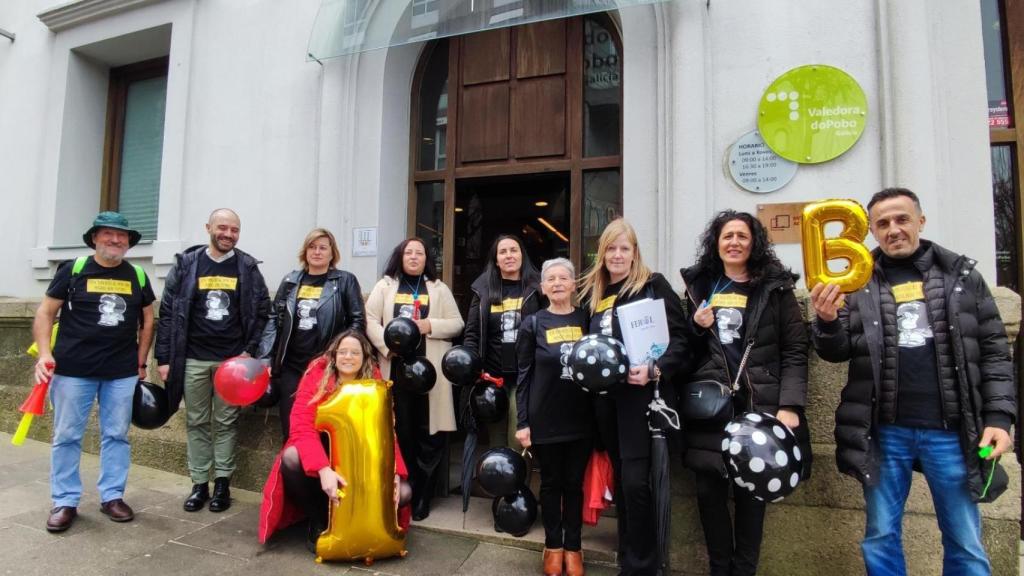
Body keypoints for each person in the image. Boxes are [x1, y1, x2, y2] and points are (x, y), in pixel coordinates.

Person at [809, 188, 1016, 575]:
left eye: (902, 219)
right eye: (883, 223)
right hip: (885, 432)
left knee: (965, 540)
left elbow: (993, 352)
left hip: (952, 432)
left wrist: (1000, 419)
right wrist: (826, 321)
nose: (894, 229)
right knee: (880, 536)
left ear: (920, 220)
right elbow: (838, 351)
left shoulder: (961, 275)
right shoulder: (858, 281)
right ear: (871, 230)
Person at [680, 211, 809, 576]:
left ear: (753, 243)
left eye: (742, 236)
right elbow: (685, 353)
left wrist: (790, 405)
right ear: (716, 244)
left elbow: (796, 350)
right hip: (710, 409)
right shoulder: (701, 287)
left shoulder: (774, 289)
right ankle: (719, 569)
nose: (734, 242)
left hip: (760, 406)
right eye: (727, 236)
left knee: (754, 498)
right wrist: (695, 326)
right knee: (709, 497)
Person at [578, 218, 689, 575]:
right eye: (611, 248)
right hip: (605, 404)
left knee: (636, 483)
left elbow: (682, 342)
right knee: (623, 485)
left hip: (641, 403)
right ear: (602, 253)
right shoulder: (593, 295)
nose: (617, 255)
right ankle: (629, 558)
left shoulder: (653, 286)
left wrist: (656, 368)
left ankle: (643, 565)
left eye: (624, 248)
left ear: (635, 252)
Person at [32, 212, 156, 532]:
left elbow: (148, 320)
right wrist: (44, 354)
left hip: (121, 372)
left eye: (122, 236)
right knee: (67, 436)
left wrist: (141, 362)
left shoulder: (138, 276)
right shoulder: (73, 270)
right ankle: (65, 500)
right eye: (108, 235)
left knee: (116, 435)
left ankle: (112, 496)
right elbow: (46, 312)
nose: (115, 240)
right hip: (73, 371)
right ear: (95, 238)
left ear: (128, 242)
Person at [155, 208, 270, 513]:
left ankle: (222, 484)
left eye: (234, 230)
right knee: (196, 421)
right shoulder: (187, 264)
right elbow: (167, 313)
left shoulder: (247, 267)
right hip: (191, 358)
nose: (228, 234)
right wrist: (163, 357)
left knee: (226, 422)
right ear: (208, 228)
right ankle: (198, 484)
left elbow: (263, 312)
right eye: (222, 227)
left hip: (232, 362)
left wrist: (250, 351)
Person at [257, 330, 411, 551]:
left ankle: (360, 524)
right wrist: (322, 469)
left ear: (365, 357)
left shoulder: (374, 382)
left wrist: (394, 472)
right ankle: (319, 520)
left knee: (403, 493)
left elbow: (386, 432)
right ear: (334, 355)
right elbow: (301, 425)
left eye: (355, 353)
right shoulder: (317, 374)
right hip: (320, 453)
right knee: (290, 458)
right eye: (343, 352)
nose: (348, 357)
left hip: (360, 461)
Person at [365, 237, 465, 521]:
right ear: (399, 256)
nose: (413, 257)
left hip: (430, 375)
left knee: (429, 436)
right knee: (401, 433)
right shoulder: (385, 286)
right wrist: (388, 345)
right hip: (396, 373)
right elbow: (369, 319)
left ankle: (423, 494)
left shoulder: (438, 288)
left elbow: (457, 323)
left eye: (419, 253)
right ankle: (403, 489)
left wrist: (429, 325)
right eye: (408, 252)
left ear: (426, 259)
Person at [515, 258, 592, 576]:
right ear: (542, 287)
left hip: (581, 417)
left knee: (574, 484)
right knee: (550, 483)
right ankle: (553, 545)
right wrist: (522, 422)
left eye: (564, 278)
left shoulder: (587, 319)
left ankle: (573, 547)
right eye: (551, 279)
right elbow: (523, 375)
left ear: (574, 285)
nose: (558, 283)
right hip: (544, 417)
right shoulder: (533, 323)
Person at [258, 228, 365, 439]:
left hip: (327, 366)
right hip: (292, 366)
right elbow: (274, 319)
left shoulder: (344, 281)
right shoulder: (290, 281)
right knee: (293, 429)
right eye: (312, 247)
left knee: (325, 429)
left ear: (332, 253)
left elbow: (357, 321)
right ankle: (294, 470)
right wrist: (265, 358)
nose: (317, 252)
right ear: (305, 252)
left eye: (323, 248)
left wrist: (342, 353)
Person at [463, 234, 542, 448]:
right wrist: (474, 369)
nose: (509, 255)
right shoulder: (483, 290)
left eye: (513, 250)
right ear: (496, 260)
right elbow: (472, 333)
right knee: (496, 443)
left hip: (525, 377)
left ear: (522, 256)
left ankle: (519, 482)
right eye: (503, 252)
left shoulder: (538, 289)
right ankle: (498, 481)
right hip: (492, 377)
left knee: (518, 440)